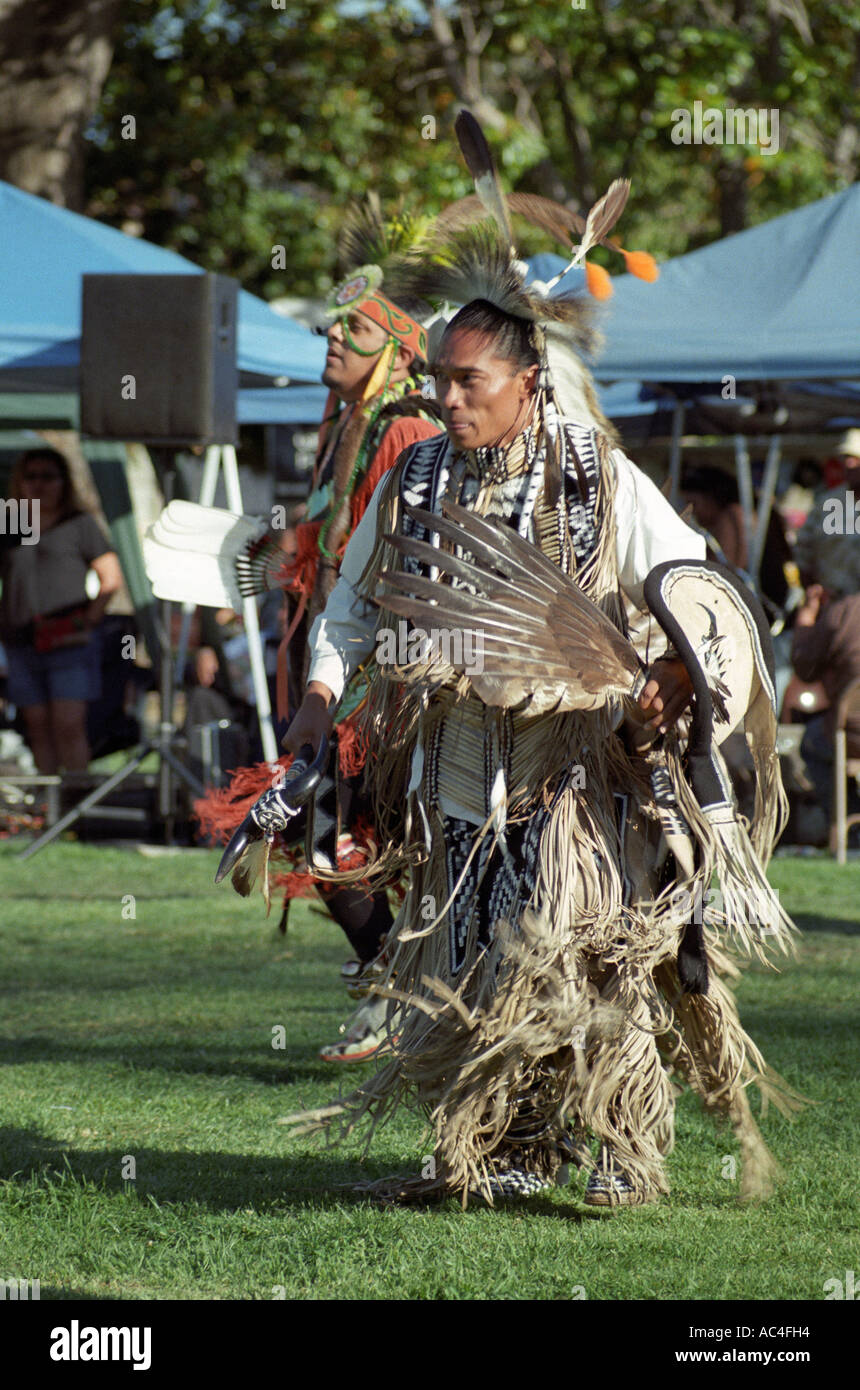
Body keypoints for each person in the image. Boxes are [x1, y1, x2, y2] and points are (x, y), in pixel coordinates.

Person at [276, 123, 796, 1207]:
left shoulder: (596, 479)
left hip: (573, 774)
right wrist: (319, 699)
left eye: (466, 382)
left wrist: (666, 683)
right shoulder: (414, 479)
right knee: (470, 965)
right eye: (435, 380)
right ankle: (498, 1148)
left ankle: (623, 1150)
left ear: (524, 382)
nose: (446, 400)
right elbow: (348, 608)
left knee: (590, 960)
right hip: (456, 775)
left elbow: (699, 590)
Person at [197, 201, 444, 1061]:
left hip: (388, 675)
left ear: (398, 353)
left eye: (355, 332)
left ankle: (407, 992)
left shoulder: (408, 426)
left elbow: (411, 560)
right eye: (332, 331)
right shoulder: (348, 426)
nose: (332, 343)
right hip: (338, 665)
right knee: (334, 839)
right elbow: (337, 546)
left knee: (347, 844)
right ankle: (399, 989)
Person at [0, 447, 122, 773]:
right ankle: (51, 811)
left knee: (68, 723)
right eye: (31, 476)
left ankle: (77, 806)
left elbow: (111, 577)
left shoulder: (79, 523)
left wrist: (86, 622)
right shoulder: (9, 523)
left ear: (63, 482)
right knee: (37, 727)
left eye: (48, 477)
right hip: (20, 641)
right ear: (20, 482)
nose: (39, 484)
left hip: (69, 642)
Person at [791, 584, 860, 816]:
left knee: (811, 742)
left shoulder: (843, 611)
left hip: (851, 732)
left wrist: (807, 618)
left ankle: (847, 825)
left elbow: (804, 666)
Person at [793, 429, 860, 598]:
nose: (849, 464)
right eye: (845, 458)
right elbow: (803, 552)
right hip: (833, 604)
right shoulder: (826, 504)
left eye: (856, 458)